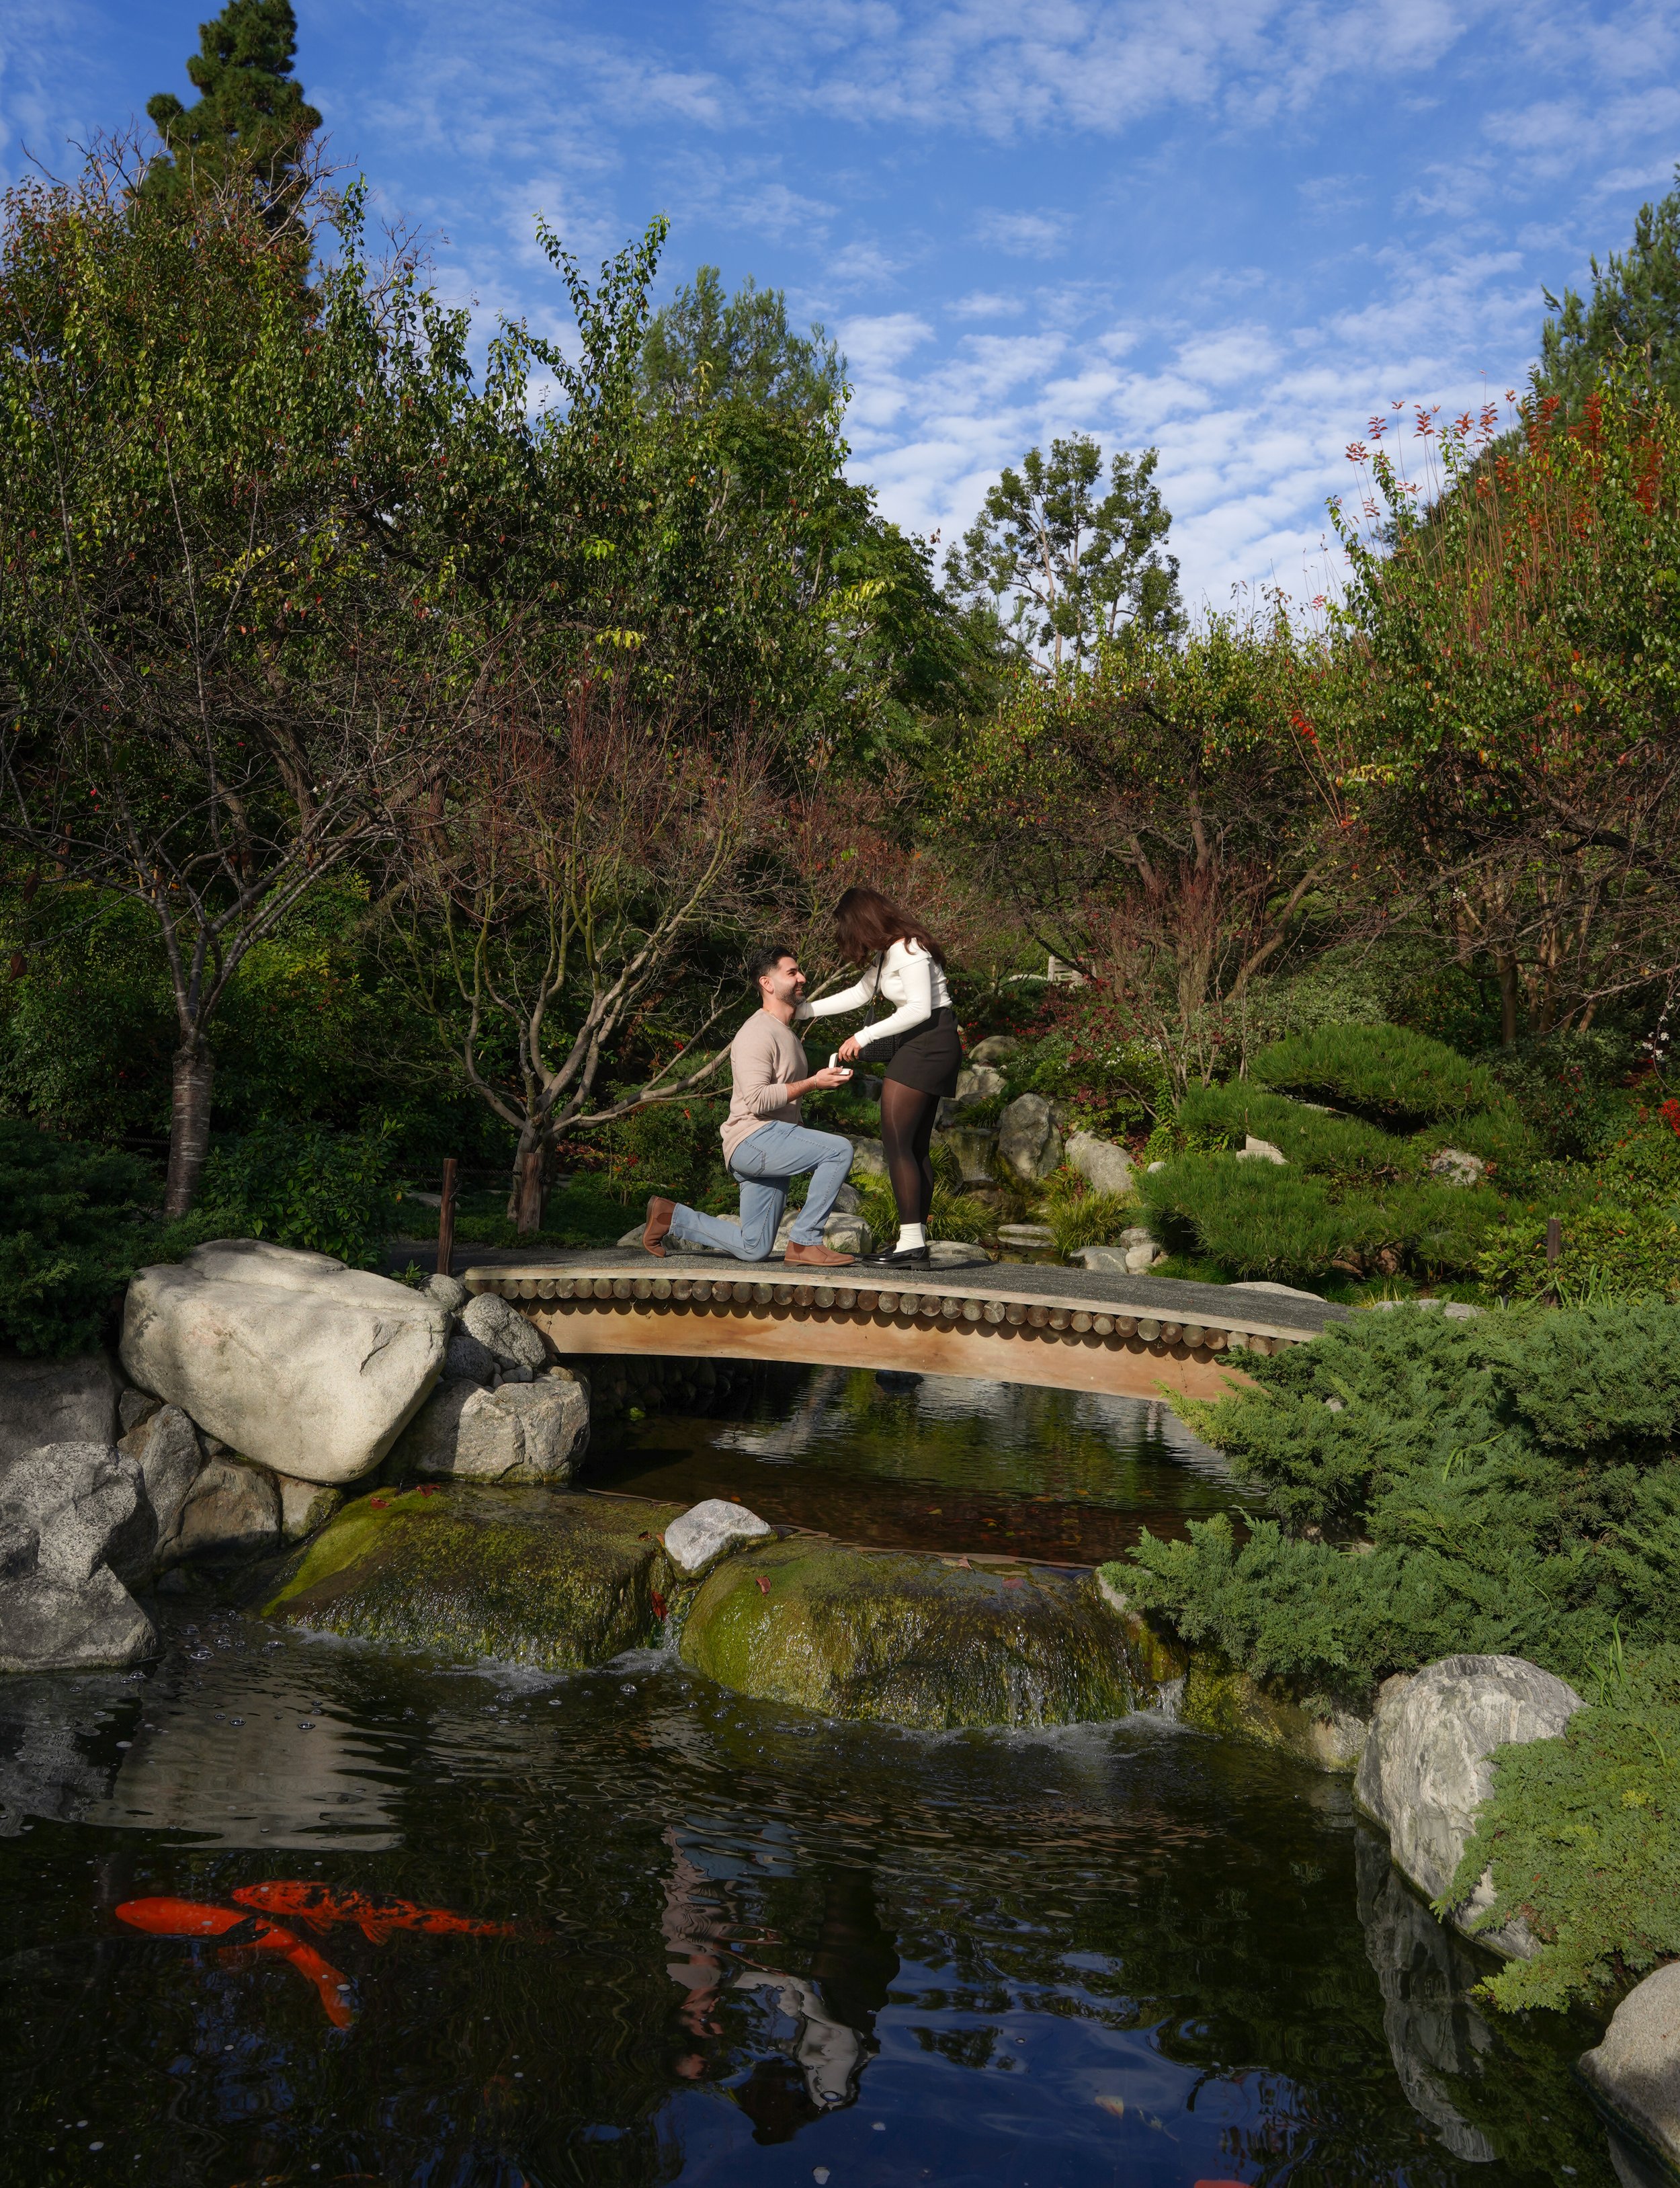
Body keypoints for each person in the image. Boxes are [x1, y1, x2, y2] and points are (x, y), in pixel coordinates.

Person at [641, 945, 857, 1266]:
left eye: (800, 971)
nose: (802, 977)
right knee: (839, 1150)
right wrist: (813, 1082)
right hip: (753, 1139)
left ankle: (670, 1216)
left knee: (754, 1247)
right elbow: (757, 1099)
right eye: (792, 972)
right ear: (767, 983)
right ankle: (805, 1242)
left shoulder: (786, 1033)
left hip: (767, 1141)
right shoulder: (757, 1032)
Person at [796, 885, 960, 1269]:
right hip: (921, 1042)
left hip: (930, 1041)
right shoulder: (890, 953)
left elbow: (920, 1008)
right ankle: (912, 1242)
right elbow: (858, 993)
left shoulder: (909, 948)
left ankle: (912, 1243)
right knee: (913, 1145)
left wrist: (864, 1036)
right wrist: (804, 1011)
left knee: (899, 1142)